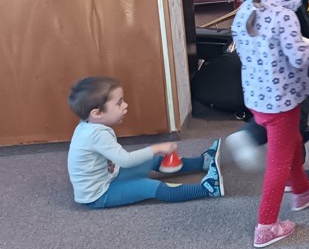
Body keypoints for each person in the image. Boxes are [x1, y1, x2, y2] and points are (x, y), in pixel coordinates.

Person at [232, 0, 309, 248]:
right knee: (279, 161)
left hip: (258, 98)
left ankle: (302, 191)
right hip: (281, 101)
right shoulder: (282, 16)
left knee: (293, 143)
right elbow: (299, 59)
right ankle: (266, 225)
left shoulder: (244, 10)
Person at [67, 76, 223, 208]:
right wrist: (156, 148)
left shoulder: (89, 125)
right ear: (97, 113)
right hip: (100, 193)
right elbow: (126, 160)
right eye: (119, 103)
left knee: (152, 161)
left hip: (111, 174)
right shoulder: (96, 135)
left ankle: (203, 162)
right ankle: (208, 189)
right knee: (149, 186)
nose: (126, 105)